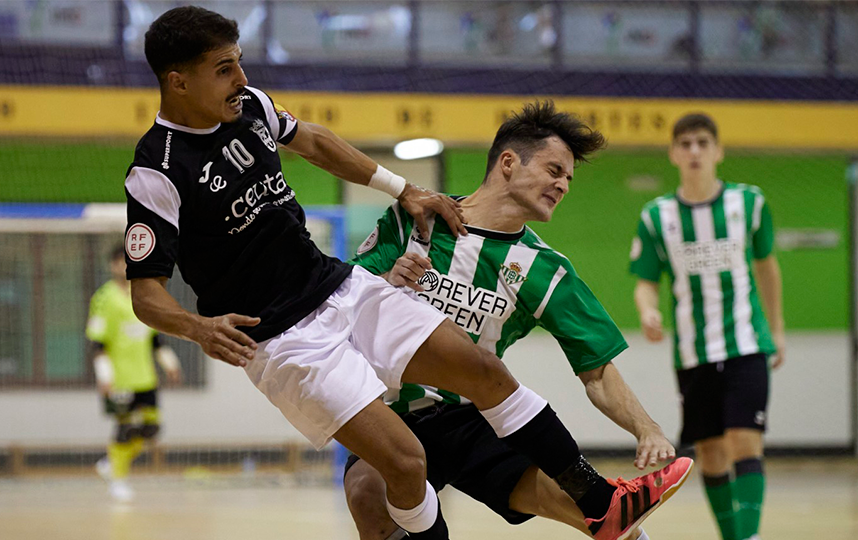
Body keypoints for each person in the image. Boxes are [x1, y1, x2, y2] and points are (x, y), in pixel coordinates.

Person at [123, 7, 681, 539]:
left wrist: (404, 186)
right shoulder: (157, 172)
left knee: (483, 369)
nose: (241, 77)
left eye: (239, 61)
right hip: (286, 340)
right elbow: (146, 295)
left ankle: (601, 505)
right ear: (178, 82)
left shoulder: (249, 106)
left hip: (337, 288)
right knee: (406, 465)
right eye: (224, 69)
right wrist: (197, 328)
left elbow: (313, 140)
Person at [344, 101, 693, 540]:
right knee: (365, 494)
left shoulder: (546, 270)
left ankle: (617, 518)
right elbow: (345, 293)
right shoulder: (417, 216)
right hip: (389, 412)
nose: (563, 184)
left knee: (583, 506)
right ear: (508, 163)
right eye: (554, 170)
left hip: (471, 416)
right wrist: (386, 279)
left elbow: (598, 371)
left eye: (568, 177)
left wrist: (647, 428)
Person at [629, 113, 784, 540]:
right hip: (694, 351)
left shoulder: (749, 203)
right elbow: (645, 282)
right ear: (674, 153)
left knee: (745, 440)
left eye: (702, 143)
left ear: (718, 151)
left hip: (747, 343)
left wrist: (778, 330)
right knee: (711, 451)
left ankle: (748, 537)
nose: (694, 151)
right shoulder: (656, 216)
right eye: (685, 144)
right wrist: (648, 311)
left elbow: (768, 269)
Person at [87, 244, 182, 502]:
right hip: (119, 379)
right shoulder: (104, 298)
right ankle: (117, 480)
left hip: (145, 377)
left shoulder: (144, 294)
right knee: (124, 429)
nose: (123, 266)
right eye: (118, 261)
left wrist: (169, 363)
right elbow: (98, 343)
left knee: (151, 429)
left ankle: (110, 463)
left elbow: (154, 340)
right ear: (112, 265)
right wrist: (104, 375)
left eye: (127, 261)